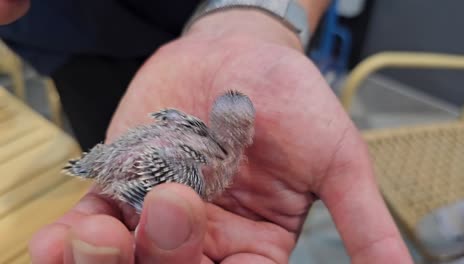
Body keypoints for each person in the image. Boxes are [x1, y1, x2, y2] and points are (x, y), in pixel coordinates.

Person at [0, 1, 414, 263]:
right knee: (124, 217)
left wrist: (256, 15)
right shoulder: (196, 166)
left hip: (198, 17)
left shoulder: (210, 151)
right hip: (78, 33)